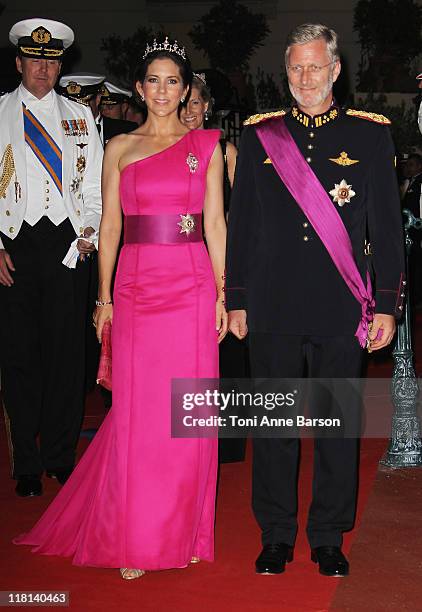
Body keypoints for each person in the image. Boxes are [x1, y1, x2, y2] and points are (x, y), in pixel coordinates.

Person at [14, 36, 227, 580]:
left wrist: (225, 291)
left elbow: (216, 226)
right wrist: (103, 297)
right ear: (139, 88)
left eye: (172, 81)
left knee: (190, 412)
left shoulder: (207, 144)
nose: (162, 90)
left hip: (192, 284)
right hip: (134, 287)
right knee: (138, 411)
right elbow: (109, 226)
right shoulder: (118, 147)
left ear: (185, 90)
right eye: (152, 80)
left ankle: (189, 529)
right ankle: (135, 533)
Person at [226, 23, 405, 577]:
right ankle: (276, 533)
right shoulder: (261, 136)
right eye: (296, 69)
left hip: (339, 305)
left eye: (315, 67)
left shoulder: (370, 135)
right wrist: (236, 298)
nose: (305, 79)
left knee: (336, 426)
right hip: (274, 305)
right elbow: (243, 227)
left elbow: (387, 229)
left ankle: (329, 535)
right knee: (274, 427)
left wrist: (387, 304)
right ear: (288, 74)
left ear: (335, 71)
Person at [0, 19, 103, 497]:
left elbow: (99, 186)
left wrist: (88, 233)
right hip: (13, 243)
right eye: (34, 59)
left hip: (68, 243)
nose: (43, 68)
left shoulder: (81, 117)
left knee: (67, 354)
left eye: (51, 60)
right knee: (20, 355)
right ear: (19, 62)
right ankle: (26, 462)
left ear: (61, 64)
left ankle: (61, 456)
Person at [180, 73, 247, 463]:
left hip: (219, 255)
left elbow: (240, 217)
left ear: (208, 107)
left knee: (225, 347)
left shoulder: (226, 153)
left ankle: (228, 440)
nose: (189, 109)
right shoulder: (160, 148)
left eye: (196, 102)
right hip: (177, 260)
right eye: (183, 100)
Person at [58, 72, 137, 396]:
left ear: (97, 103)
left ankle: (111, 388)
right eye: (72, 101)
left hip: (116, 242)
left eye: (85, 101)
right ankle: (78, 382)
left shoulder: (125, 135)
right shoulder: (54, 133)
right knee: (71, 320)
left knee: (113, 317)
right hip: (69, 243)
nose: (79, 108)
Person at [401, 153, 422, 306]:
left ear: (419, 166)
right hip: (408, 232)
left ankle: (417, 298)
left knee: (417, 264)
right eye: (407, 164)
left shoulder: (419, 182)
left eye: (411, 164)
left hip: (417, 230)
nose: (408, 167)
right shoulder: (407, 182)